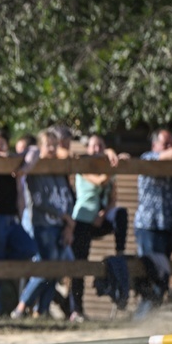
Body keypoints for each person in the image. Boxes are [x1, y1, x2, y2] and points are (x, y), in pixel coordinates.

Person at [10, 129, 75, 318]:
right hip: (43, 225)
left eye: (56, 144)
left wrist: (69, 224)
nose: (53, 148)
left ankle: (42, 309)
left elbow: (67, 196)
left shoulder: (59, 168)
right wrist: (64, 217)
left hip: (61, 225)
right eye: (49, 144)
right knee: (45, 267)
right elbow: (39, 202)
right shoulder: (35, 168)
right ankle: (21, 307)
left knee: (57, 269)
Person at [69, 134, 129, 322]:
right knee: (80, 263)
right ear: (87, 149)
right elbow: (101, 181)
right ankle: (76, 309)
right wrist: (115, 164)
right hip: (83, 219)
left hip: (100, 219)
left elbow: (113, 197)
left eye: (100, 145)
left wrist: (103, 214)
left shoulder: (108, 166)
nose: (96, 149)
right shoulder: (83, 165)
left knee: (121, 213)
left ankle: (120, 253)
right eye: (93, 145)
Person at [0, 129, 40, 315]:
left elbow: (34, 151)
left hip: (12, 219)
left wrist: (22, 168)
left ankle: (5, 265)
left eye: (2, 143)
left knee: (29, 248)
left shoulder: (14, 161)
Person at [133, 129, 172, 311]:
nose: (170, 147)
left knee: (162, 277)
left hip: (166, 228)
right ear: (154, 145)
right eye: (166, 143)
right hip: (148, 227)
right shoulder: (148, 158)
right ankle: (143, 319)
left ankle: (149, 317)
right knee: (154, 275)